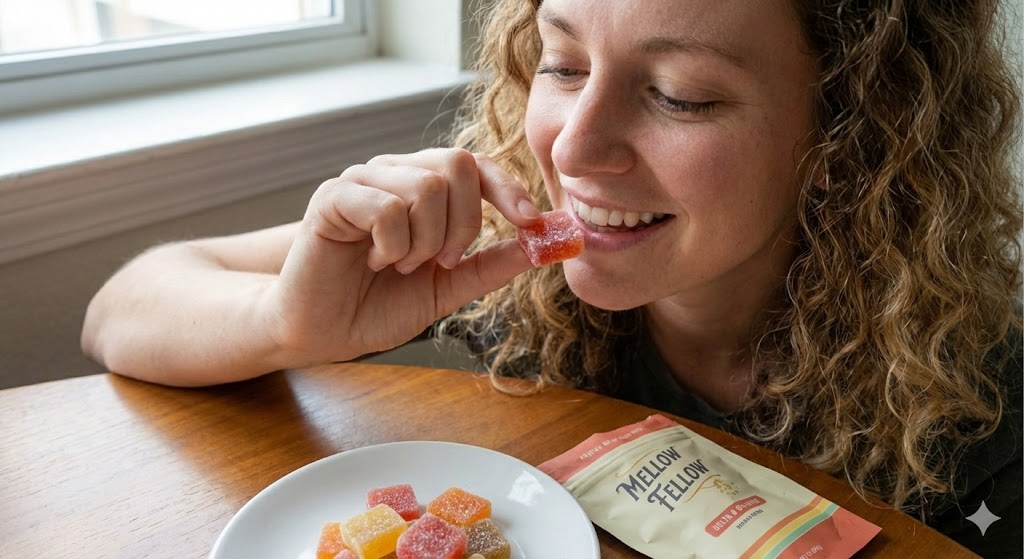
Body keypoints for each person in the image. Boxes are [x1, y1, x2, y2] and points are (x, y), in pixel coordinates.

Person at [81, 0, 1021, 556]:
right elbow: (125, 304)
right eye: (564, 64)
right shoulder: (507, 245)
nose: (571, 148)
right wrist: (291, 319)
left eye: (678, 94)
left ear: (851, 139)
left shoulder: (989, 412)